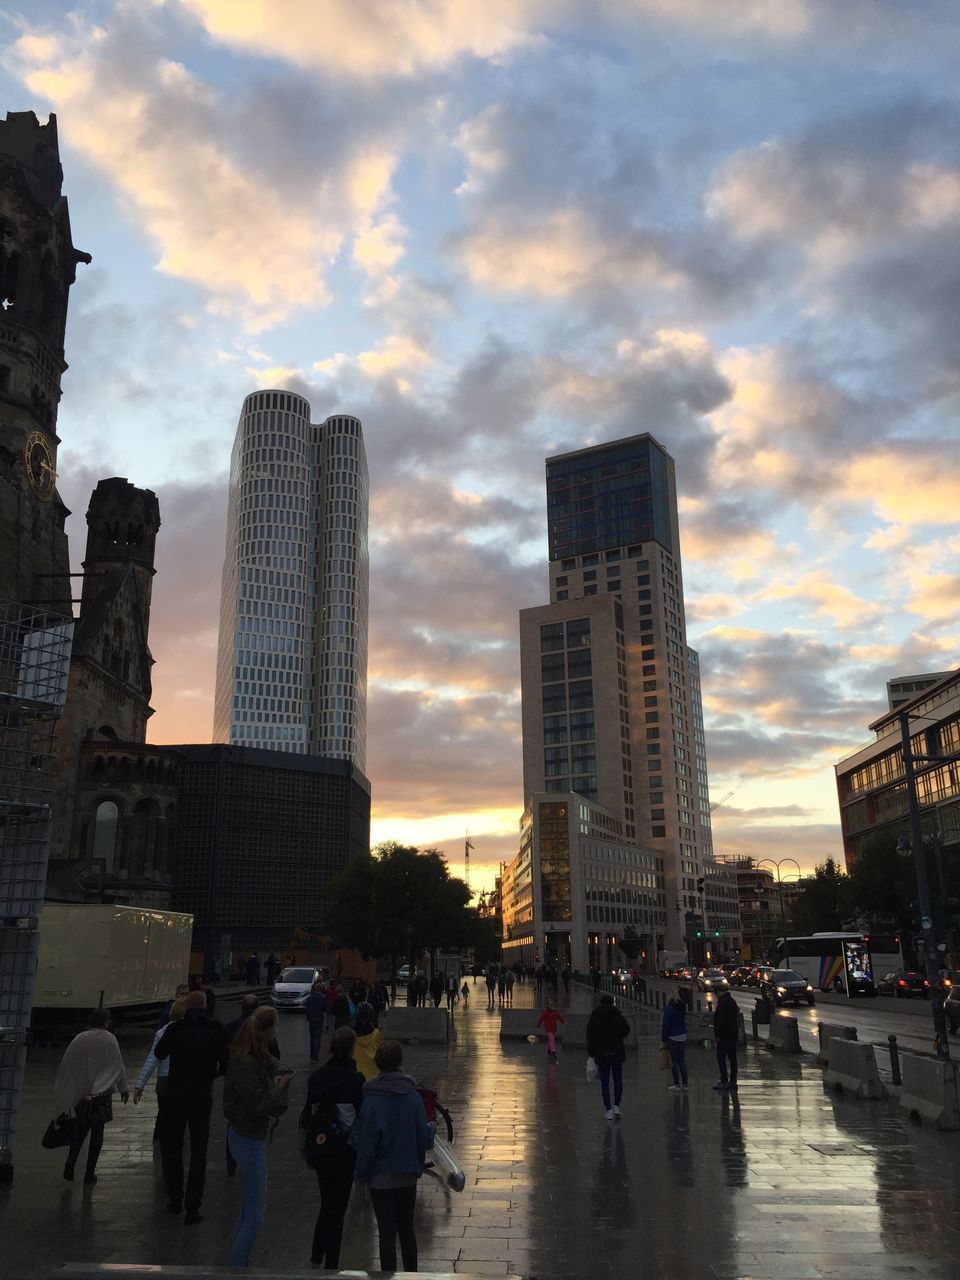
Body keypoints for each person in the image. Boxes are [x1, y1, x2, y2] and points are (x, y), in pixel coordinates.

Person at [354, 1041, 434, 1273]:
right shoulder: (413, 1098)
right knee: (407, 1230)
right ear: (400, 1063)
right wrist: (431, 1129)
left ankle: (388, 1276)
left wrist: (361, 1173)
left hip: (380, 1177)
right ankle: (411, 1276)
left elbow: (366, 1143)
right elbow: (425, 1139)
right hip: (407, 1174)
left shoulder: (371, 1100)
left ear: (378, 1064)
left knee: (386, 1233)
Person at [223, 1006, 293, 1267]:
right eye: (275, 1026)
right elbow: (258, 1106)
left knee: (248, 1209)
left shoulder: (250, 1055)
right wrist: (279, 1090)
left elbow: (274, 1066)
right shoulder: (246, 1062)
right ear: (267, 1030)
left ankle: (238, 1262)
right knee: (255, 1214)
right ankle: (237, 1267)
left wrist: (281, 1073)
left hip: (246, 1135)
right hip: (248, 1138)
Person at [154, 989, 230, 1223]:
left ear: (187, 1007)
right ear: (206, 1006)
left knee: (173, 1146)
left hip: (176, 1092)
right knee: (199, 1151)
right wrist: (214, 1073)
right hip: (201, 1093)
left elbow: (159, 1052)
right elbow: (227, 1062)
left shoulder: (175, 1028)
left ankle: (175, 1199)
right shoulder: (217, 1029)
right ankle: (193, 1206)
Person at [304, 1025, 364, 1268]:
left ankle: (317, 1253)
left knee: (325, 1200)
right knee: (338, 1207)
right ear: (352, 1048)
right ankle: (331, 1262)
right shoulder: (355, 1079)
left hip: (319, 1146)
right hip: (344, 1149)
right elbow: (362, 1117)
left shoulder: (317, 1077)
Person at [53, 1008, 130, 1185]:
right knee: (97, 1132)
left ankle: (71, 1160)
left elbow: (68, 1065)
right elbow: (117, 1065)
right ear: (106, 1021)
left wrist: (67, 1091)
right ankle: (89, 1172)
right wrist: (123, 1088)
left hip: (81, 1094)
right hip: (101, 1095)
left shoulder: (79, 1039)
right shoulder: (110, 1039)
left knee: (79, 1130)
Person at [133, 996, 188, 1179]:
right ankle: (176, 1161)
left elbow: (153, 1058)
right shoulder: (191, 1031)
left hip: (164, 1081)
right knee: (179, 1123)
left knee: (166, 1121)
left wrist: (140, 1084)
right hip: (182, 1081)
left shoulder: (163, 1031)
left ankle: (167, 1166)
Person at [586, 993, 630, 1120]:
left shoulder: (595, 1017)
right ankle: (617, 1105)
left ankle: (608, 1109)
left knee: (604, 1081)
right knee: (618, 1079)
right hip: (617, 1052)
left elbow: (590, 1035)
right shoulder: (618, 1016)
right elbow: (626, 1030)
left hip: (602, 1053)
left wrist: (592, 1052)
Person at [661, 993, 689, 1093]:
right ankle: (685, 1084)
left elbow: (665, 1026)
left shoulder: (669, 1010)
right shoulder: (680, 1009)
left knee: (674, 1062)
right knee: (682, 1060)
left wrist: (664, 1040)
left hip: (673, 1037)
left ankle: (677, 1084)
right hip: (682, 1036)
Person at [713, 987, 739, 1090]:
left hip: (724, 1036)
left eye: (716, 994)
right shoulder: (731, 1000)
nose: (716, 996)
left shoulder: (723, 1003)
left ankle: (724, 1081)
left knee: (721, 1058)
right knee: (733, 1059)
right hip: (732, 1035)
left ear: (719, 992)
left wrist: (718, 1035)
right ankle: (733, 1081)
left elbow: (721, 1020)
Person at [353, 1002, 385, 1081]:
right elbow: (383, 1056)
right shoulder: (377, 1034)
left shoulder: (351, 1035)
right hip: (374, 1076)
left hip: (355, 1075)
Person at [304, 980, 327, 1062]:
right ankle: (316, 1055)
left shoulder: (310, 998)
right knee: (318, 1038)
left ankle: (311, 1053)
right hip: (319, 1019)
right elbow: (324, 1008)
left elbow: (307, 1009)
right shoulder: (323, 997)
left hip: (312, 1019)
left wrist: (308, 1017)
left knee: (312, 1038)